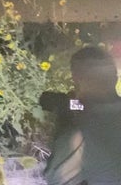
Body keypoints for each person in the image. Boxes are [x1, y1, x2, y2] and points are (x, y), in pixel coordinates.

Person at [44, 46, 121, 184]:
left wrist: (65, 121)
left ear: (78, 80)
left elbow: (56, 178)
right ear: (115, 77)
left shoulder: (80, 132)